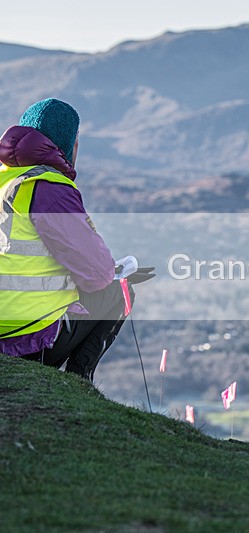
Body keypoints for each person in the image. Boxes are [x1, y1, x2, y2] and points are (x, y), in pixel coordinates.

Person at [0, 98, 139, 381]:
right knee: (118, 290)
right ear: (69, 144)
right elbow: (99, 275)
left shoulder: (7, 180)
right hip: (25, 338)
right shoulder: (49, 188)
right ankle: (78, 380)